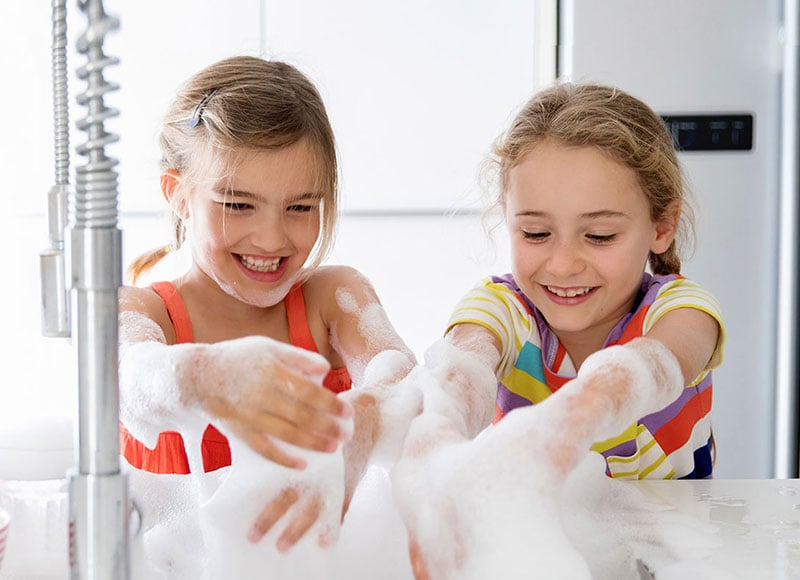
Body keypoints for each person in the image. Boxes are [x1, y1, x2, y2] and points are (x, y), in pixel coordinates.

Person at [390, 82, 725, 578]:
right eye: (535, 234)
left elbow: (658, 363)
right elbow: (459, 379)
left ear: (662, 225)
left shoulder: (680, 309)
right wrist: (432, 454)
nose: (564, 264)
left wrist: (573, 417)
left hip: (673, 556)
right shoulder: (503, 308)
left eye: (599, 236)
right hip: (538, 552)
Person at [117, 55, 417, 552]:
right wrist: (205, 378)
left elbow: (400, 377)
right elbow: (134, 377)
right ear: (179, 195)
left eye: (301, 207)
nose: (271, 237)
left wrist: (357, 429)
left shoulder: (333, 301)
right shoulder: (146, 315)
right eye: (238, 204)